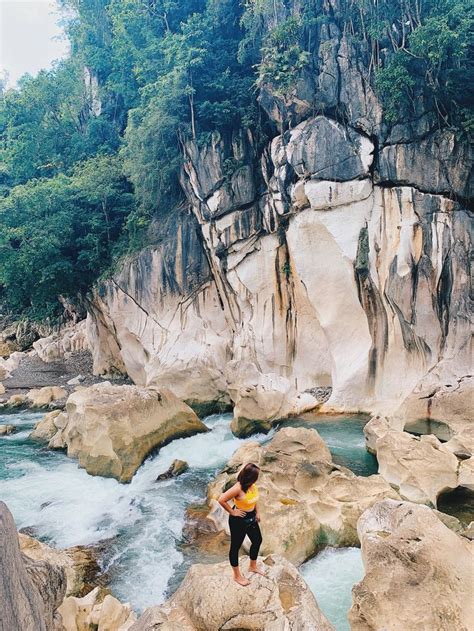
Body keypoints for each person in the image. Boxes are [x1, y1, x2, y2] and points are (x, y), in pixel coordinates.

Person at [218, 462, 264, 586]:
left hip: (251, 518)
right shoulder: (237, 488)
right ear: (249, 477)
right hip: (239, 520)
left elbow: (255, 500)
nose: (257, 479)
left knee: (257, 540)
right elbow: (221, 499)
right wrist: (232, 512)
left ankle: (252, 566)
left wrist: (257, 512)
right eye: (255, 476)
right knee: (235, 547)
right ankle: (237, 576)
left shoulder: (252, 486)